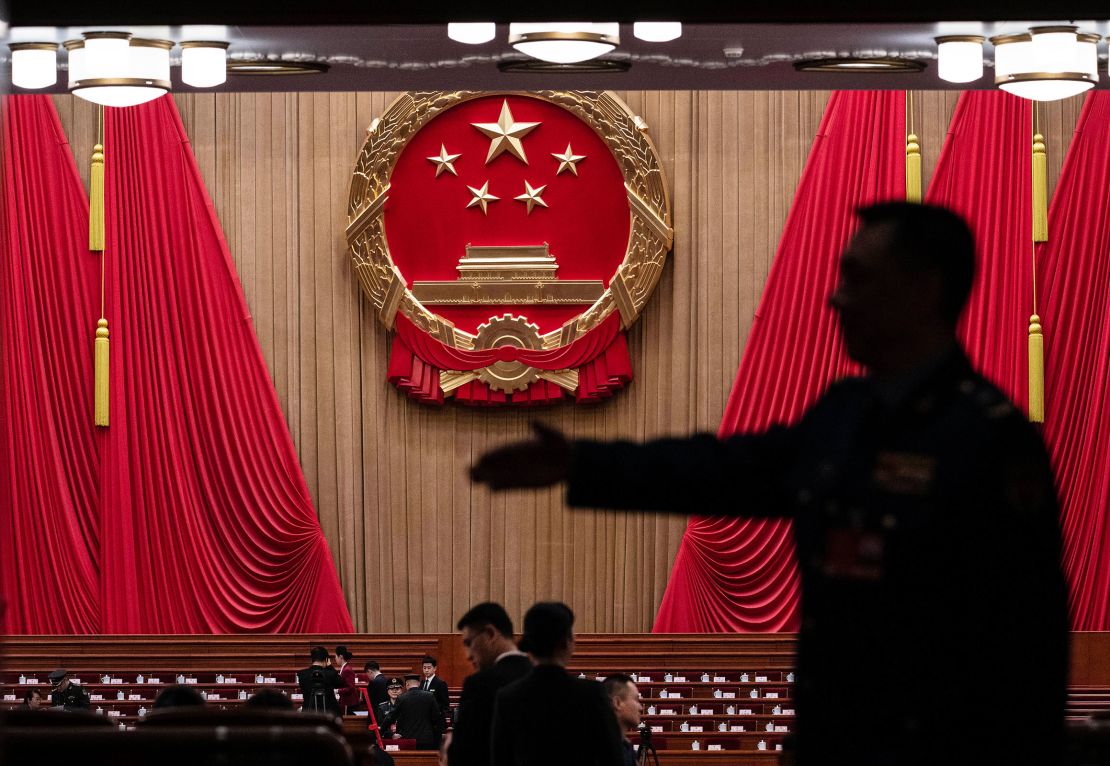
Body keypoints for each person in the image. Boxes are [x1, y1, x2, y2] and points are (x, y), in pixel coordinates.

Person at [471, 202, 1069, 766]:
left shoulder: (989, 438)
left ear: (924, 290)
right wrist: (581, 462)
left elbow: (1028, 647)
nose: (836, 298)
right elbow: (727, 469)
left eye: (858, 278)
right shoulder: (845, 413)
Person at [489, 602, 625, 766]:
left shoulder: (508, 697)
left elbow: (501, 759)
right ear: (566, 642)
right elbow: (612, 758)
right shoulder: (592, 694)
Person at [445, 602, 533, 766]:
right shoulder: (542, 678)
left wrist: (450, 749)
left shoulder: (480, 685)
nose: (468, 655)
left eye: (469, 643)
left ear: (490, 633)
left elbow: (464, 755)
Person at [382, 674, 443, 750]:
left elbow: (391, 717)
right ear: (419, 684)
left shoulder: (402, 698)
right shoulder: (429, 696)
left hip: (408, 740)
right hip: (426, 740)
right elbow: (437, 718)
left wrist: (381, 730)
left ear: (407, 684)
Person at [603, 675, 642, 766]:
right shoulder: (597, 750)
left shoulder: (625, 746)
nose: (640, 707)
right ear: (617, 703)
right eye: (636, 699)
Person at [297, 645, 343, 715]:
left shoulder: (302, 674)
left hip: (309, 713)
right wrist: (330, 667)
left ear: (312, 659)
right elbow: (341, 683)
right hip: (329, 714)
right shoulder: (331, 674)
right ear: (326, 659)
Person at [334, 645, 360, 714]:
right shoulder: (344, 668)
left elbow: (351, 687)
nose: (335, 659)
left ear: (341, 657)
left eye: (336, 656)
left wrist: (337, 691)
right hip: (346, 701)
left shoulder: (346, 670)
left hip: (349, 702)